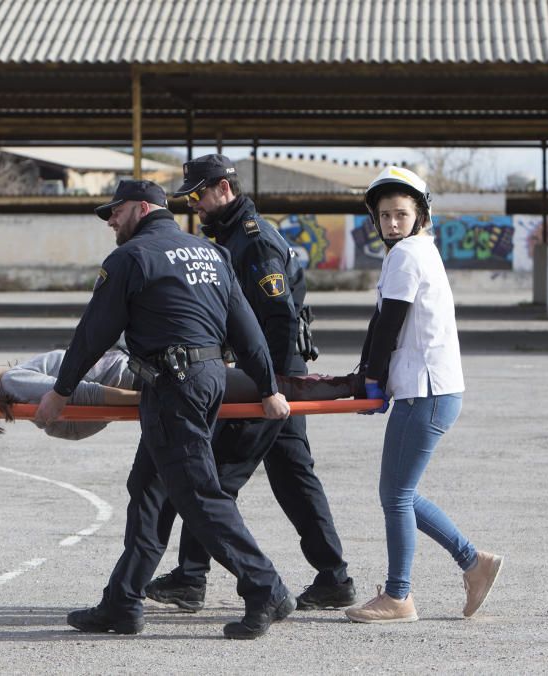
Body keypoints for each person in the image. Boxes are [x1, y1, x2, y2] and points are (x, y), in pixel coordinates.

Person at [33, 179, 296, 640]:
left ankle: (264, 587)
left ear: (140, 208)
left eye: (114, 211)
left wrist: (62, 390)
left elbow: (94, 332)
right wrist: (267, 385)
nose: (111, 220)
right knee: (150, 490)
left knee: (198, 494)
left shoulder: (131, 258)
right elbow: (247, 328)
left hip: (173, 386)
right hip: (207, 378)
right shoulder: (211, 253)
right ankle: (123, 601)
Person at [148, 154, 355, 613]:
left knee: (213, 478)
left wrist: (266, 388)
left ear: (224, 188)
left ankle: (191, 576)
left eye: (199, 194)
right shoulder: (235, 238)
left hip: (269, 379)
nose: (195, 205)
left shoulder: (253, 242)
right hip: (271, 378)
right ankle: (333, 577)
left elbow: (278, 320)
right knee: (294, 479)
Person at [344, 166, 503, 624]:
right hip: (433, 390)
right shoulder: (416, 252)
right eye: (385, 215)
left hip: (426, 393)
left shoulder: (407, 255)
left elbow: (388, 324)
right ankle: (475, 564)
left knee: (395, 495)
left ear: (420, 215)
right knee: (402, 492)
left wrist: (372, 381)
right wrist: (365, 377)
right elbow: (383, 323)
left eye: (401, 214)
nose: (392, 223)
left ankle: (399, 596)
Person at [0, 349, 363, 446]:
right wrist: (145, 400)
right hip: (144, 381)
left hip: (143, 370)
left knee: (257, 382)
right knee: (265, 385)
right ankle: (351, 386)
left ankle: (346, 385)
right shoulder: (12, 386)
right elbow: (80, 393)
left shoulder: (14, 372)